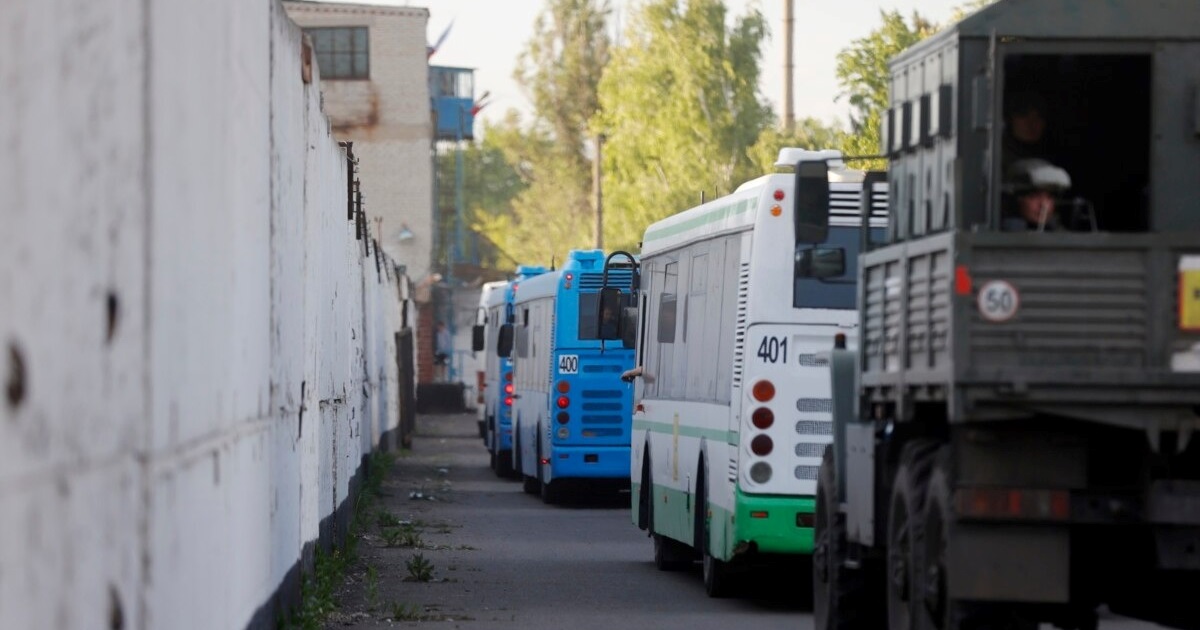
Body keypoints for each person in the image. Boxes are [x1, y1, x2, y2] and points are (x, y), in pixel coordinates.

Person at [1001, 158, 1072, 231]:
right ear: (1015, 199)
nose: (1043, 205)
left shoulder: (1061, 236)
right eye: (1034, 196)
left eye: (1049, 197)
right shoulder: (1000, 233)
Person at [1001, 91, 1051, 174]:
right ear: (1010, 119)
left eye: (1038, 117)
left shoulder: (1051, 155)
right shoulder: (998, 156)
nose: (1031, 123)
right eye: (1023, 115)